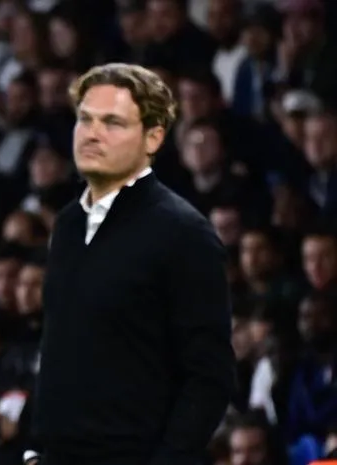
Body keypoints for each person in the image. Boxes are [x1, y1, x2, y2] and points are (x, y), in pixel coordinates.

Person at [30, 64, 236, 465]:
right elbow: (57, 345)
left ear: (153, 137)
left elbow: (209, 376)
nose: (92, 134)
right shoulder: (68, 224)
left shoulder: (183, 232)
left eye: (112, 122)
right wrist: (34, 447)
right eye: (85, 119)